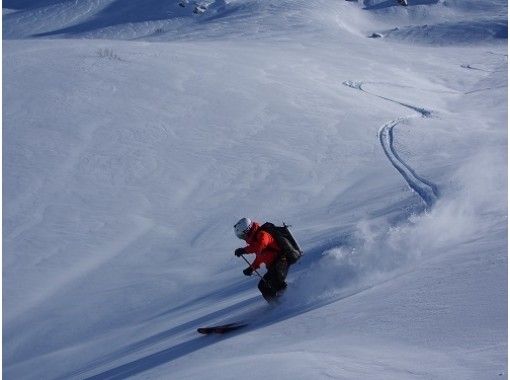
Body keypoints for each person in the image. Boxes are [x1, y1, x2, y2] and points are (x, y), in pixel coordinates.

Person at [233, 217, 288, 302]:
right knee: (262, 285)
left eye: (242, 235)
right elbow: (260, 257)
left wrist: (244, 250)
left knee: (276, 282)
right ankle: (275, 305)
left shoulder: (262, 234)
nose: (242, 238)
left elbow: (260, 246)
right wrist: (251, 268)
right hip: (273, 266)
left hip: (280, 260)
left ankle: (290, 298)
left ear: (246, 231)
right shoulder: (255, 240)